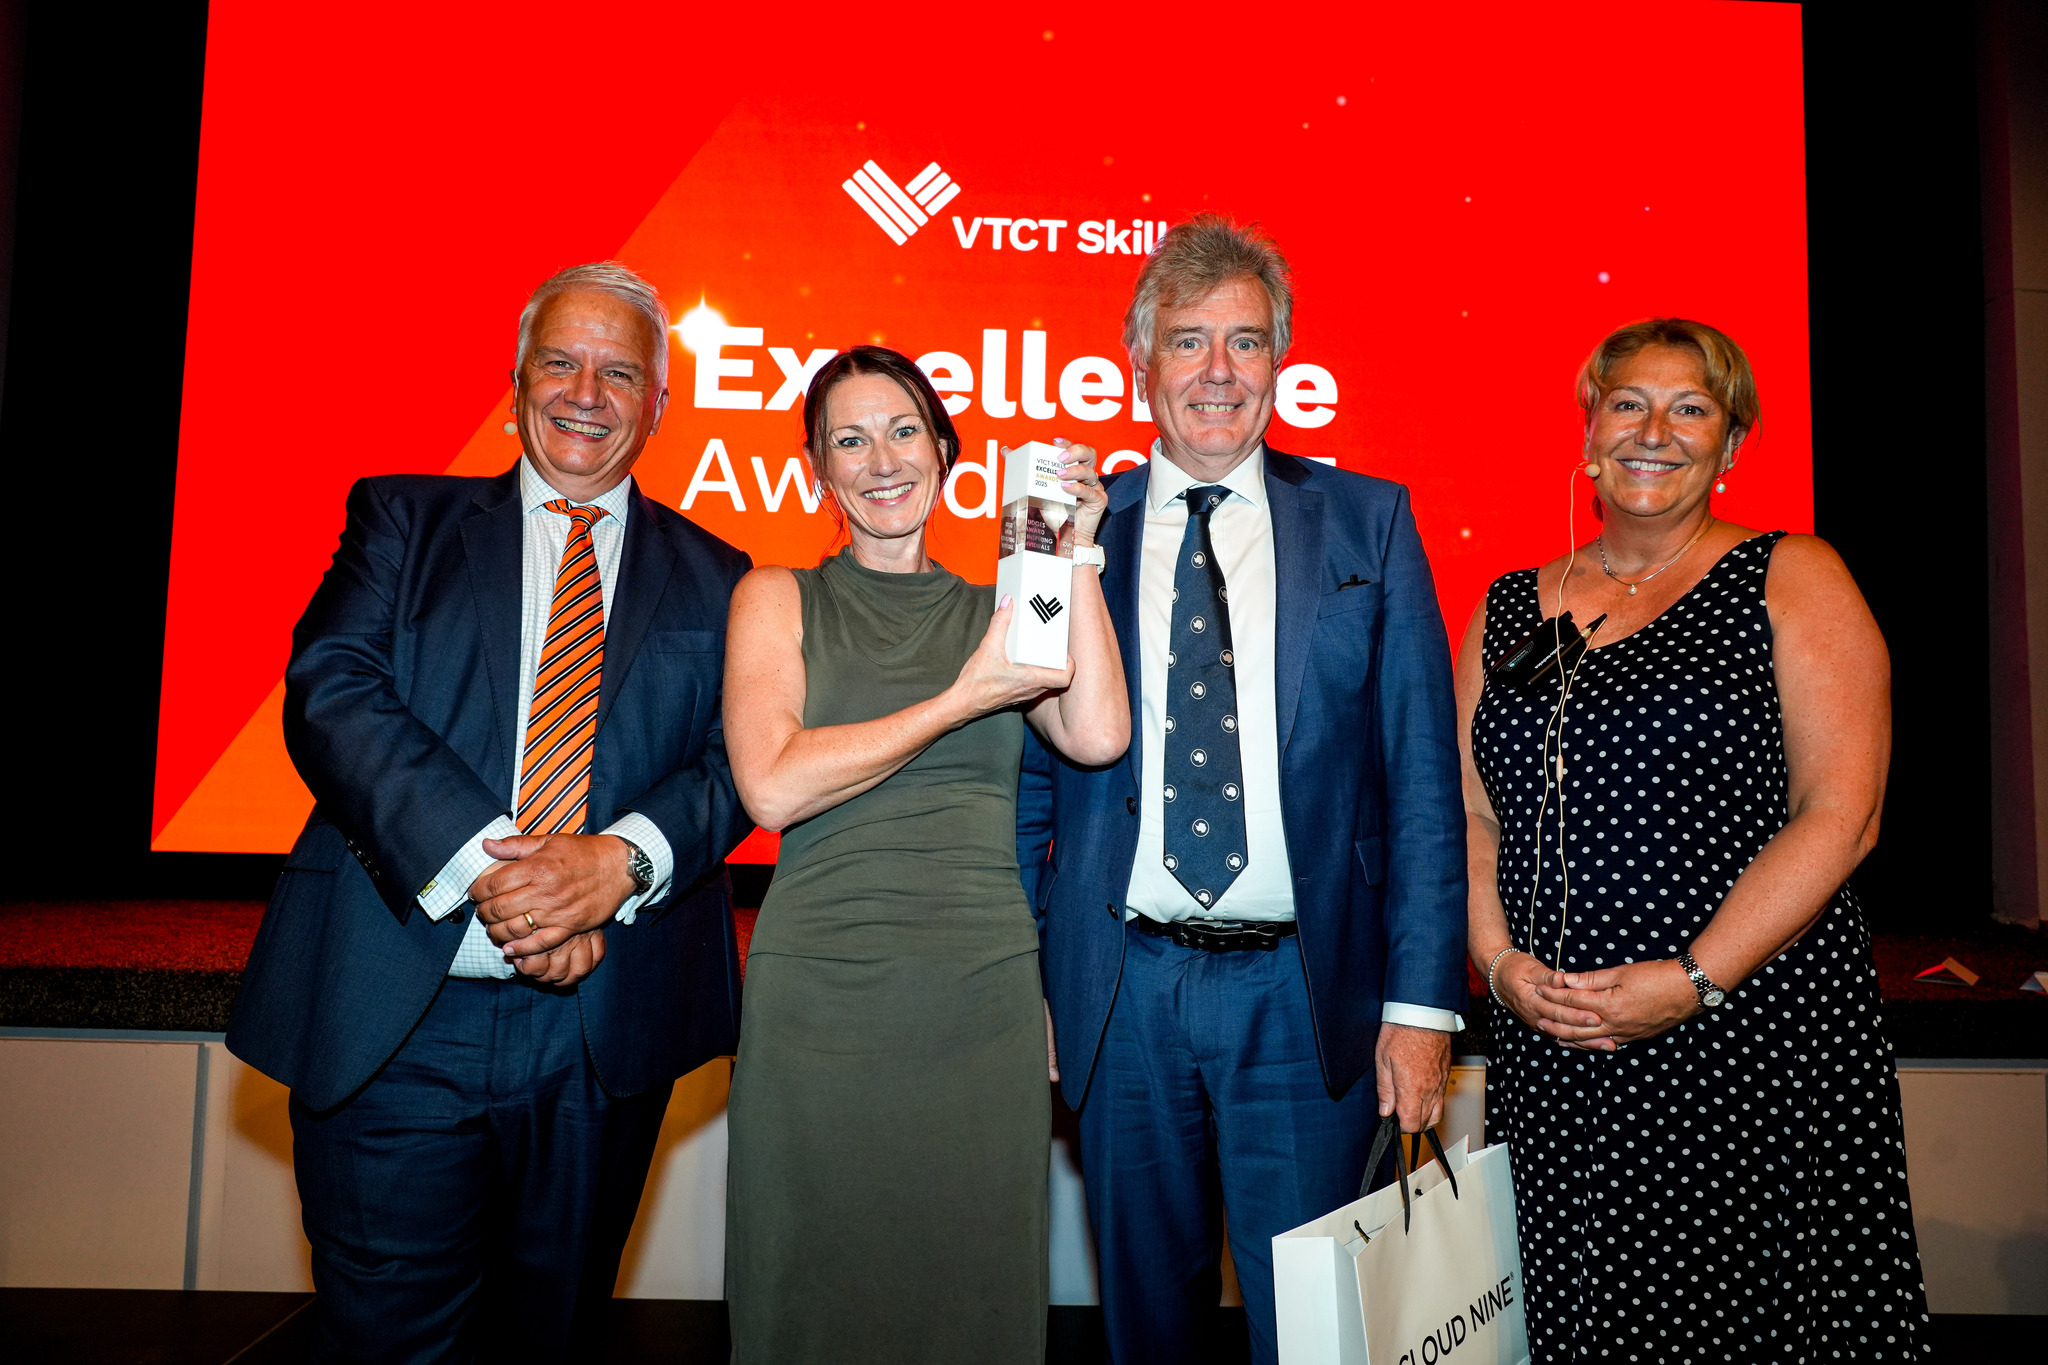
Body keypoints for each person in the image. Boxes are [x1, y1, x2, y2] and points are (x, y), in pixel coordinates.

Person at [226, 262, 754, 1361]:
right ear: (516, 382)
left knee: (548, 1341)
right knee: (385, 1343)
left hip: (599, 1035)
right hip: (397, 1018)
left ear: (660, 402)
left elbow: (735, 760)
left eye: (619, 373)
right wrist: (500, 875)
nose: (585, 393)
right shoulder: (402, 519)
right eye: (560, 362)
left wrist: (615, 864)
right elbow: (333, 691)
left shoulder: (723, 576)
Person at [1016, 215, 1470, 1365]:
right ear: (1138, 362)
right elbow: (1025, 790)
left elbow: (1422, 787)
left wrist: (1421, 1013)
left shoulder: (1369, 522)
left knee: (1317, 1334)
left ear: (1280, 361)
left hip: (1306, 1000)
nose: (1217, 371)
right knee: (1145, 1327)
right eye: (1187, 341)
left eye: (1245, 341)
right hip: (1120, 993)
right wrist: (1033, 982)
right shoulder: (1066, 528)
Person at [1458, 317, 1931, 1360]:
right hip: (1553, 1038)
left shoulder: (1792, 574)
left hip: (1743, 1030)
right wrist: (1497, 966)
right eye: (1628, 404)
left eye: (1690, 410)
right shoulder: (1507, 605)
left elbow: (1842, 814)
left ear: (1731, 444)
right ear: (1589, 430)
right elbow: (1471, 816)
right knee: (1573, 1308)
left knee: (1736, 1316)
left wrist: (1694, 979)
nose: (1653, 432)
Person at [721, 346, 1129, 1363]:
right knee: (808, 1297)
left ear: (946, 452)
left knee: (971, 1301)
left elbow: (1097, 735)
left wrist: (1073, 553)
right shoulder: (775, 596)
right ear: (817, 469)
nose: (881, 461)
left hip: (979, 1005)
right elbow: (772, 786)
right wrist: (960, 699)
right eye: (849, 441)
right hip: (819, 1003)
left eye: (904, 431)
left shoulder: (1001, 607)